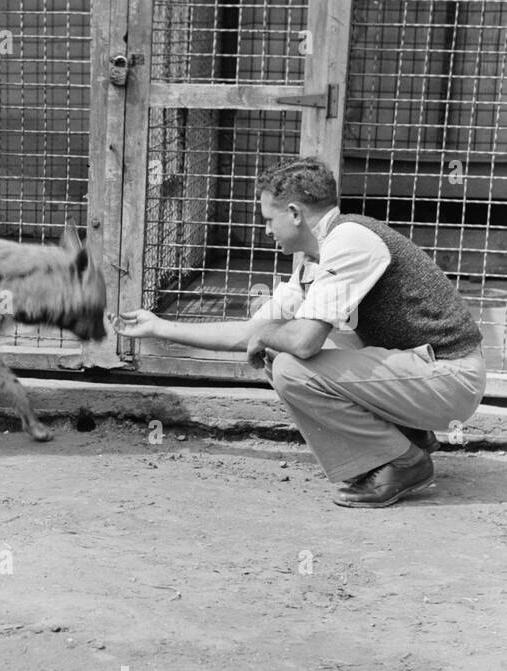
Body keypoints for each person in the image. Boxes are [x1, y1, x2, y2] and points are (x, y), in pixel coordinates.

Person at [115, 157, 486, 508]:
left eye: (267, 219)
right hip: (422, 372)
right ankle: (408, 436)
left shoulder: (350, 241)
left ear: (294, 214)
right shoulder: (316, 259)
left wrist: (266, 336)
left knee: (293, 365)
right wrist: (158, 326)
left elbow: (302, 343)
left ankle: (405, 462)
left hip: (451, 378)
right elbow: (252, 331)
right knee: (284, 350)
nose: (265, 230)